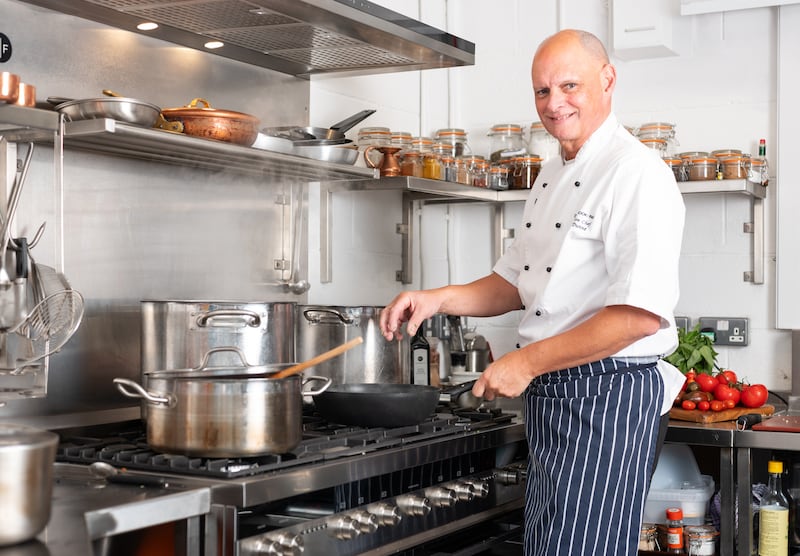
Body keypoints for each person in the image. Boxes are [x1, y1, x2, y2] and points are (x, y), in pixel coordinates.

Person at [379, 29, 686, 555]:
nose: (554, 103)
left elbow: (638, 317)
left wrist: (528, 363)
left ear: (608, 80)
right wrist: (437, 298)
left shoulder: (637, 174)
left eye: (570, 85)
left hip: (606, 396)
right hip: (556, 396)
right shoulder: (551, 172)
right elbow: (516, 282)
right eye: (542, 91)